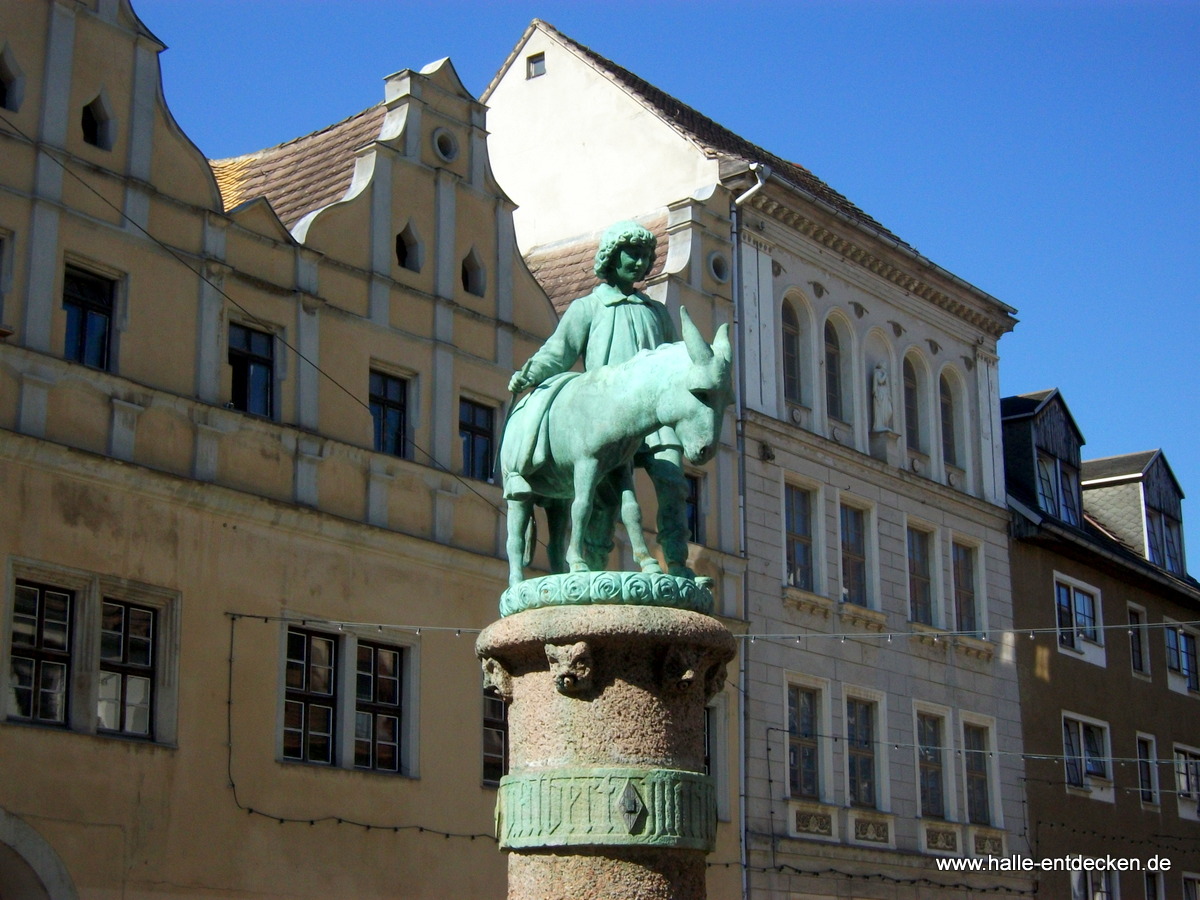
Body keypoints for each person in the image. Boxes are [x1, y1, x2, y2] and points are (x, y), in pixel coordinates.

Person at [506, 220, 694, 577]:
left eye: (644, 256)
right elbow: (560, 352)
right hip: (607, 418)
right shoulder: (589, 307)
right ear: (611, 256)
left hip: (655, 418)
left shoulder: (655, 311)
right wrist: (530, 373)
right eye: (631, 254)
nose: (639, 263)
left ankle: (677, 563)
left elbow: (673, 359)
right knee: (604, 501)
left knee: (673, 483)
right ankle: (591, 570)